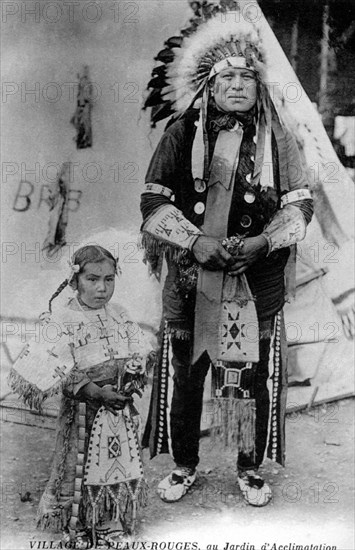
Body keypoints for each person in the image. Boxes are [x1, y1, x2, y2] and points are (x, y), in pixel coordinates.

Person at [141, 10, 313, 507]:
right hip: (194, 278)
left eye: (247, 79)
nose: (238, 86)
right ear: (210, 88)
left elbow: (298, 203)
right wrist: (196, 243)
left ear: (259, 89)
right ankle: (184, 463)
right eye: (228, 79)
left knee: (249, 377)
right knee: (188, 373)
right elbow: (153, 202)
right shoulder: (180, 134)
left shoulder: (280, 141)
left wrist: (263, 243)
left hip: (254, 276)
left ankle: (248, 467)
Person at [9, 245, 153, 548]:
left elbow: (138, 352)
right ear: (75, 280)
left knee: (113, 461)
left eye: (109, 279)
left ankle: (106, 520)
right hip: (83, 412)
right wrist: (95, 392)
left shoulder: (120, 314)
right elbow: (57, 368)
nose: (102, 288)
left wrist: (131, 378)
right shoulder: (62, 318)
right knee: (80, 464)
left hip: (117, 409)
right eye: (92, 279)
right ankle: (75, 525)